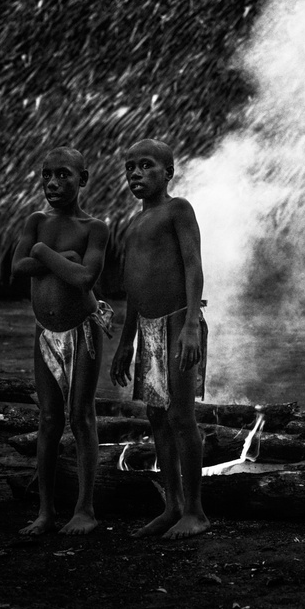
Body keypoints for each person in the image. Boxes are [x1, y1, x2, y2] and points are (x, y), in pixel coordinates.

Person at [110, 138, 210, 540]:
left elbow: (193, 267)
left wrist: (190, 325)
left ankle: (197, 512)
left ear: (167, 172)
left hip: (176, 323)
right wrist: (125, 340)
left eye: (146, 165)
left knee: (181, 417)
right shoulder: (133, 224)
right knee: (155, 416)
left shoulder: (178, 209)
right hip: (148, 329)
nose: (135, 173)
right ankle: (172, 506)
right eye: (130, 167)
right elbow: (134, 288)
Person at [12, 146, 111, 536]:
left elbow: (84, 279)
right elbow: (18, 267)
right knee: (49, 419)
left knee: (81, 416)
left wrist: (43, 253)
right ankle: (45, 512)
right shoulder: (36, 221)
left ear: (83, 179)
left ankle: (85, 509)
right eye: (47, 174)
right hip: (44, 333)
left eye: (64, 174)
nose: (53, 182)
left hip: (82, 330)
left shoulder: (95, 228)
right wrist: (62, 255)